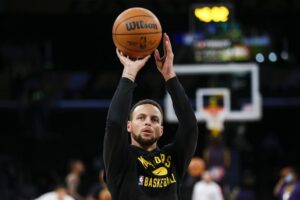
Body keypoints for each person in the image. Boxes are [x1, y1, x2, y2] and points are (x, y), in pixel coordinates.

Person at [103, 33, 199, 200]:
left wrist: (169, 76)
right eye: (141, 118)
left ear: (161, 130)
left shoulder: (173, 158)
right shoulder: (120, 157)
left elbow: (190, 126)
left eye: (154, 120)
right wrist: (129, 73)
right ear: (129, 126)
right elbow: (114, 123)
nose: (148, 122)